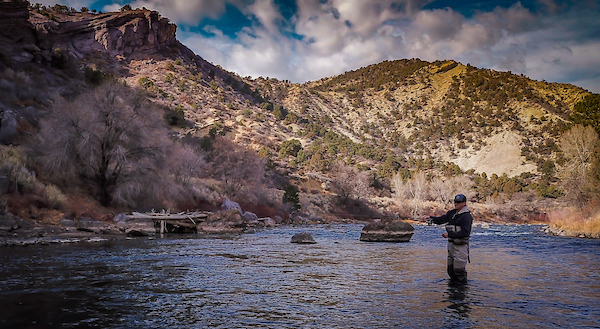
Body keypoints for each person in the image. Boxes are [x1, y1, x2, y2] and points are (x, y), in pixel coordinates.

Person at [423, 194, 473, 283]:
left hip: (461, 245)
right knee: (450, 270)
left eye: (458, 202)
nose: (456, 204)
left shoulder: (467, 216)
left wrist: (449, 235)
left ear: (464, 203)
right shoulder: (452, 213)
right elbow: (441, 220)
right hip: (451, 245)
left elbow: (465, 233)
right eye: (455, 201)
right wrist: (430, 218)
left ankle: (462, 291)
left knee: (459, 270)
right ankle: (452, 291)